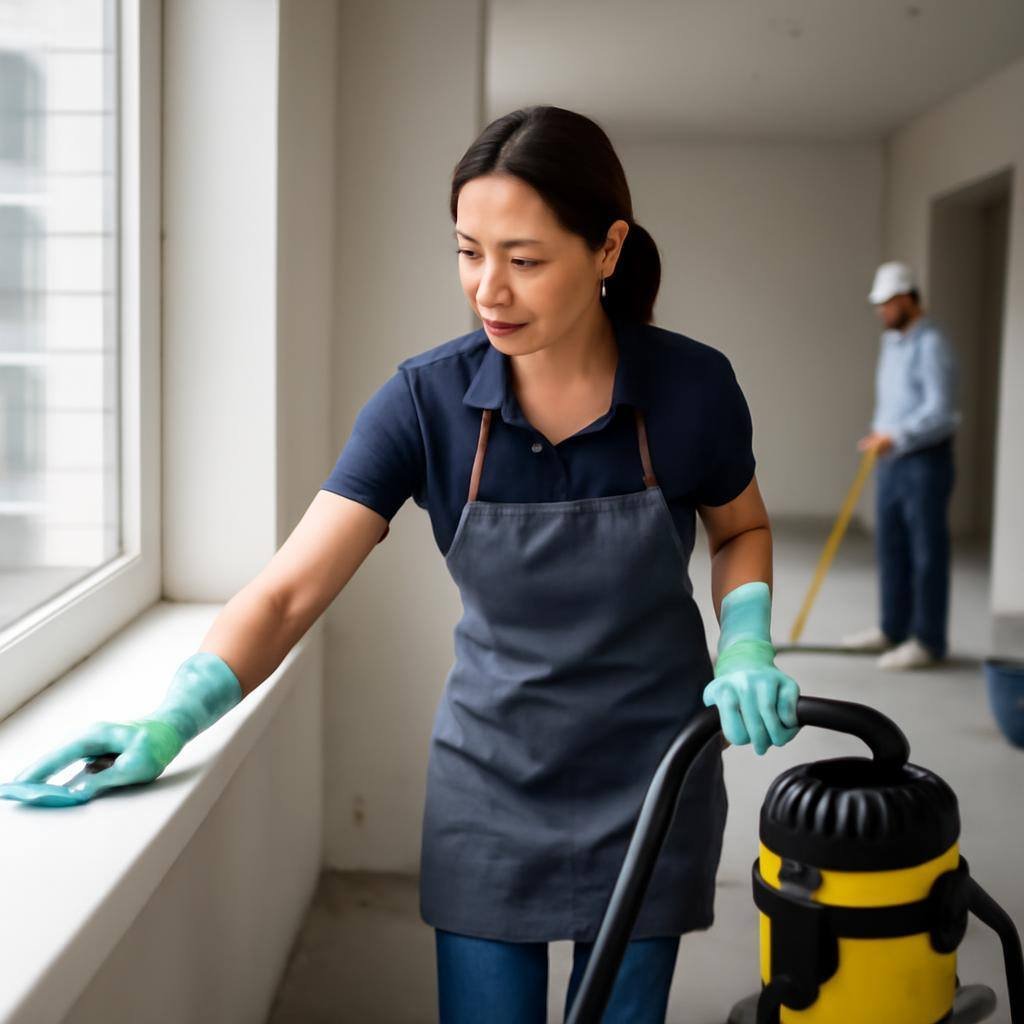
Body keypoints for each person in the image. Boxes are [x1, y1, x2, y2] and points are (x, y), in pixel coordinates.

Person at [0, 106, 801, 1024]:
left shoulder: (692, 388)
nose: (488, 290)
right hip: (493, 780)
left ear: (608, 247)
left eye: (524, 259)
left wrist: (746, 641)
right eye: (468, 252)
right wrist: (172, 720)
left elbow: (740, 528)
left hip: (658, 775)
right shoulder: (427, 404)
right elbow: (291, 588)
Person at [842, 261, 959, 670]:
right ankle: (892, 628)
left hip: (924, 461)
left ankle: (927, 640)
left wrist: (897, 435)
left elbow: (941, 411)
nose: (881, 312)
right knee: (890, 546)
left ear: (907, 298)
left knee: (926, 551)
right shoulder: (893, 341)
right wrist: (882, 436)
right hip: (890, 460)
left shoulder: (932, 344)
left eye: (886, 304)